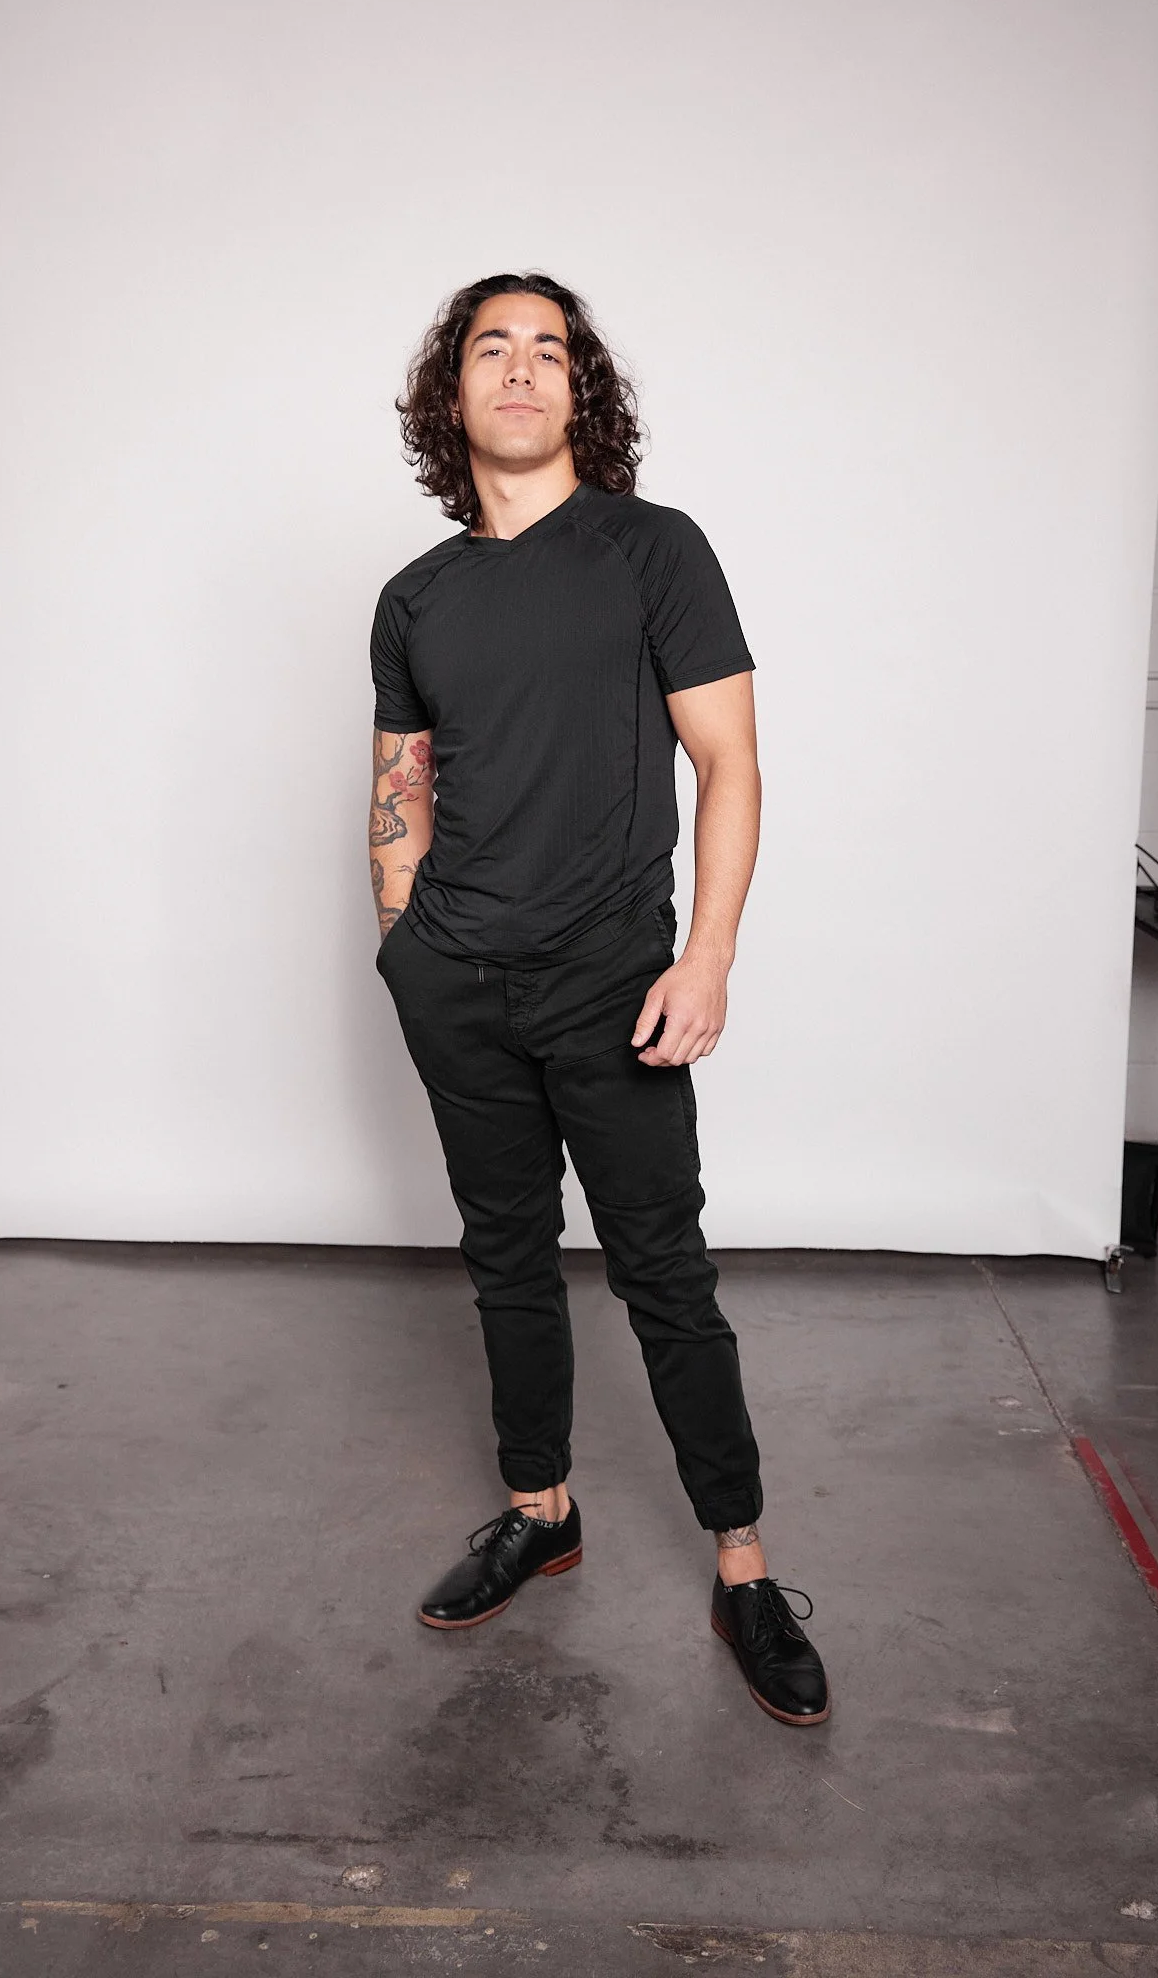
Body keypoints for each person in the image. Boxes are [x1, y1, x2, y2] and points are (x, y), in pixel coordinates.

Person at [367, 270, 828, 1727]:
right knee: (504, 1258)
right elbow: (399, 788)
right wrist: (401, 945)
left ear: (581, 390)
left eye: (548, 351)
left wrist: (709, 957)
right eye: (490, 348)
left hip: (611, 984)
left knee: (661, 1273)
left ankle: (745, 1569)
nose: (519, 369)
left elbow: (730, 762)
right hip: (455, 981)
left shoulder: (651, 549)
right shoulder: (415, 597)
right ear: (451, 393)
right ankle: (540, 1510)